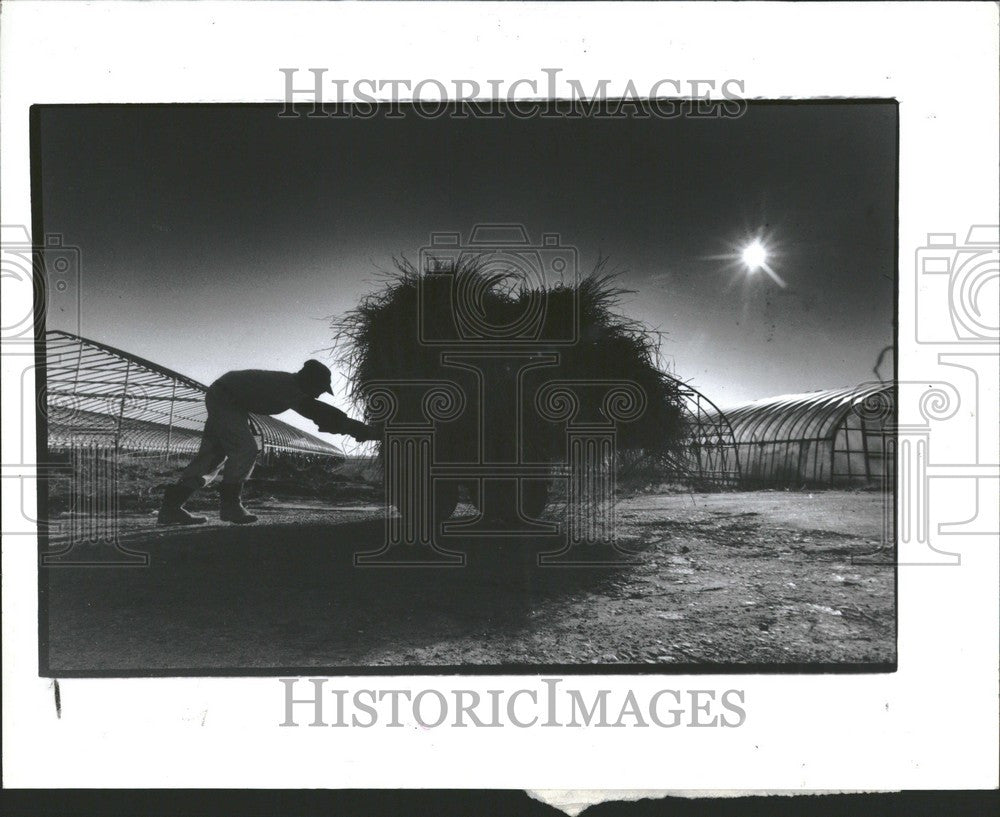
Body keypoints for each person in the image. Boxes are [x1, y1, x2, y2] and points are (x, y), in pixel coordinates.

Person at [158, 360, 376, 526]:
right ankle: (231, 506)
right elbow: (320, 414)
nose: (320, 393)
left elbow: (320, 413)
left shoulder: (291, 388)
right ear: (309, 382)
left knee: (213, 455)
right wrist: (359, 430)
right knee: (245, 449)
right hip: (225, 397)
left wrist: (351, 427)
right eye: (320, 388)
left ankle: (171, 508)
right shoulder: (290, 387)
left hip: (228, 398)